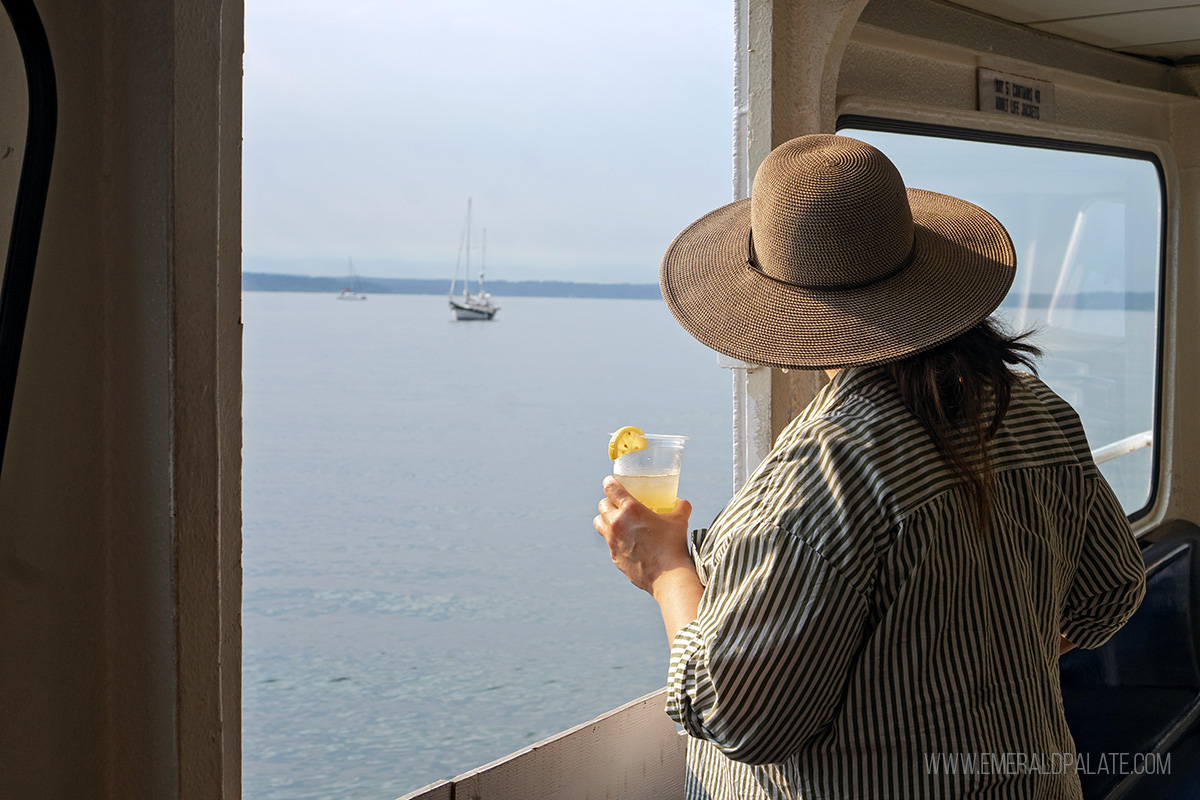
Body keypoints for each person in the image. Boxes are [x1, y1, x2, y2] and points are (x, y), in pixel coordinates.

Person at [593, 134, 1146, 799]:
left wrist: (666, 570)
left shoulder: (818, 475)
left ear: (778, 306)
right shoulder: (1035, 411)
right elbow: (1110, 593)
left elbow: (737, 717)